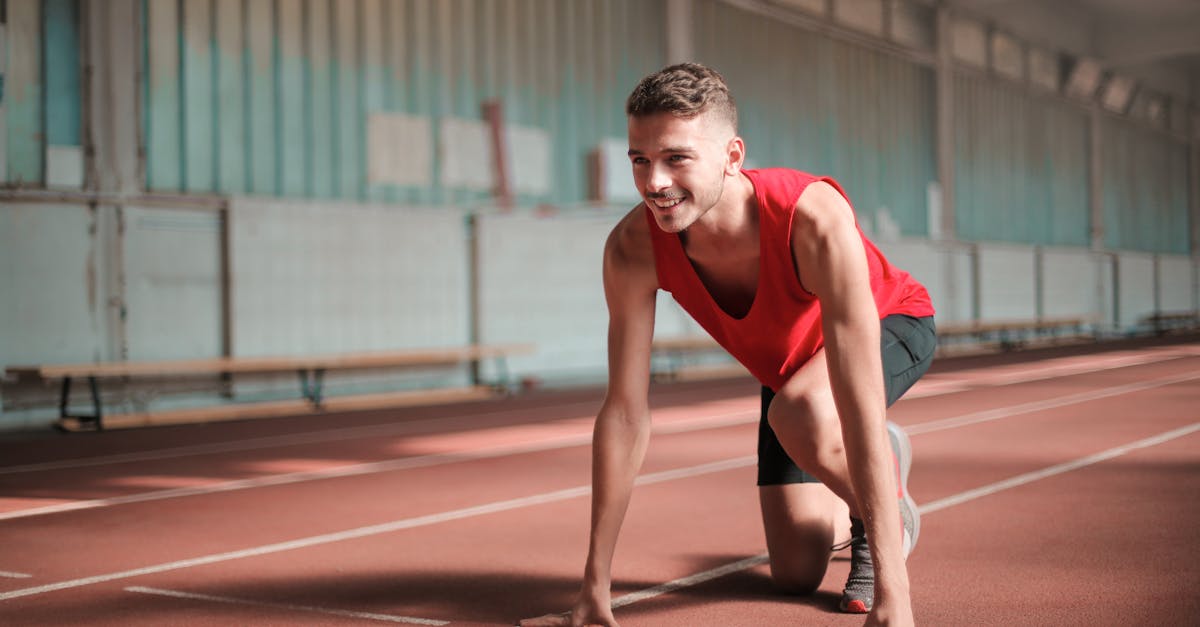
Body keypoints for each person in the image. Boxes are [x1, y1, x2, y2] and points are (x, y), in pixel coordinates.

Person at [520, 62, 936, 626]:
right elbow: (623, 415)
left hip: (890, 324)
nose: (654, 182)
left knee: (805, 412)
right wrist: (594, 588)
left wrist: (896, 593)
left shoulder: (811, 219)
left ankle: (886, 504)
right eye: (640, 160)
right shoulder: (632, 249)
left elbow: (856, 393)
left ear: (733, 157)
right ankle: (867, 499)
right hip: (790, 373)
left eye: (676, 158)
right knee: (794, 572)